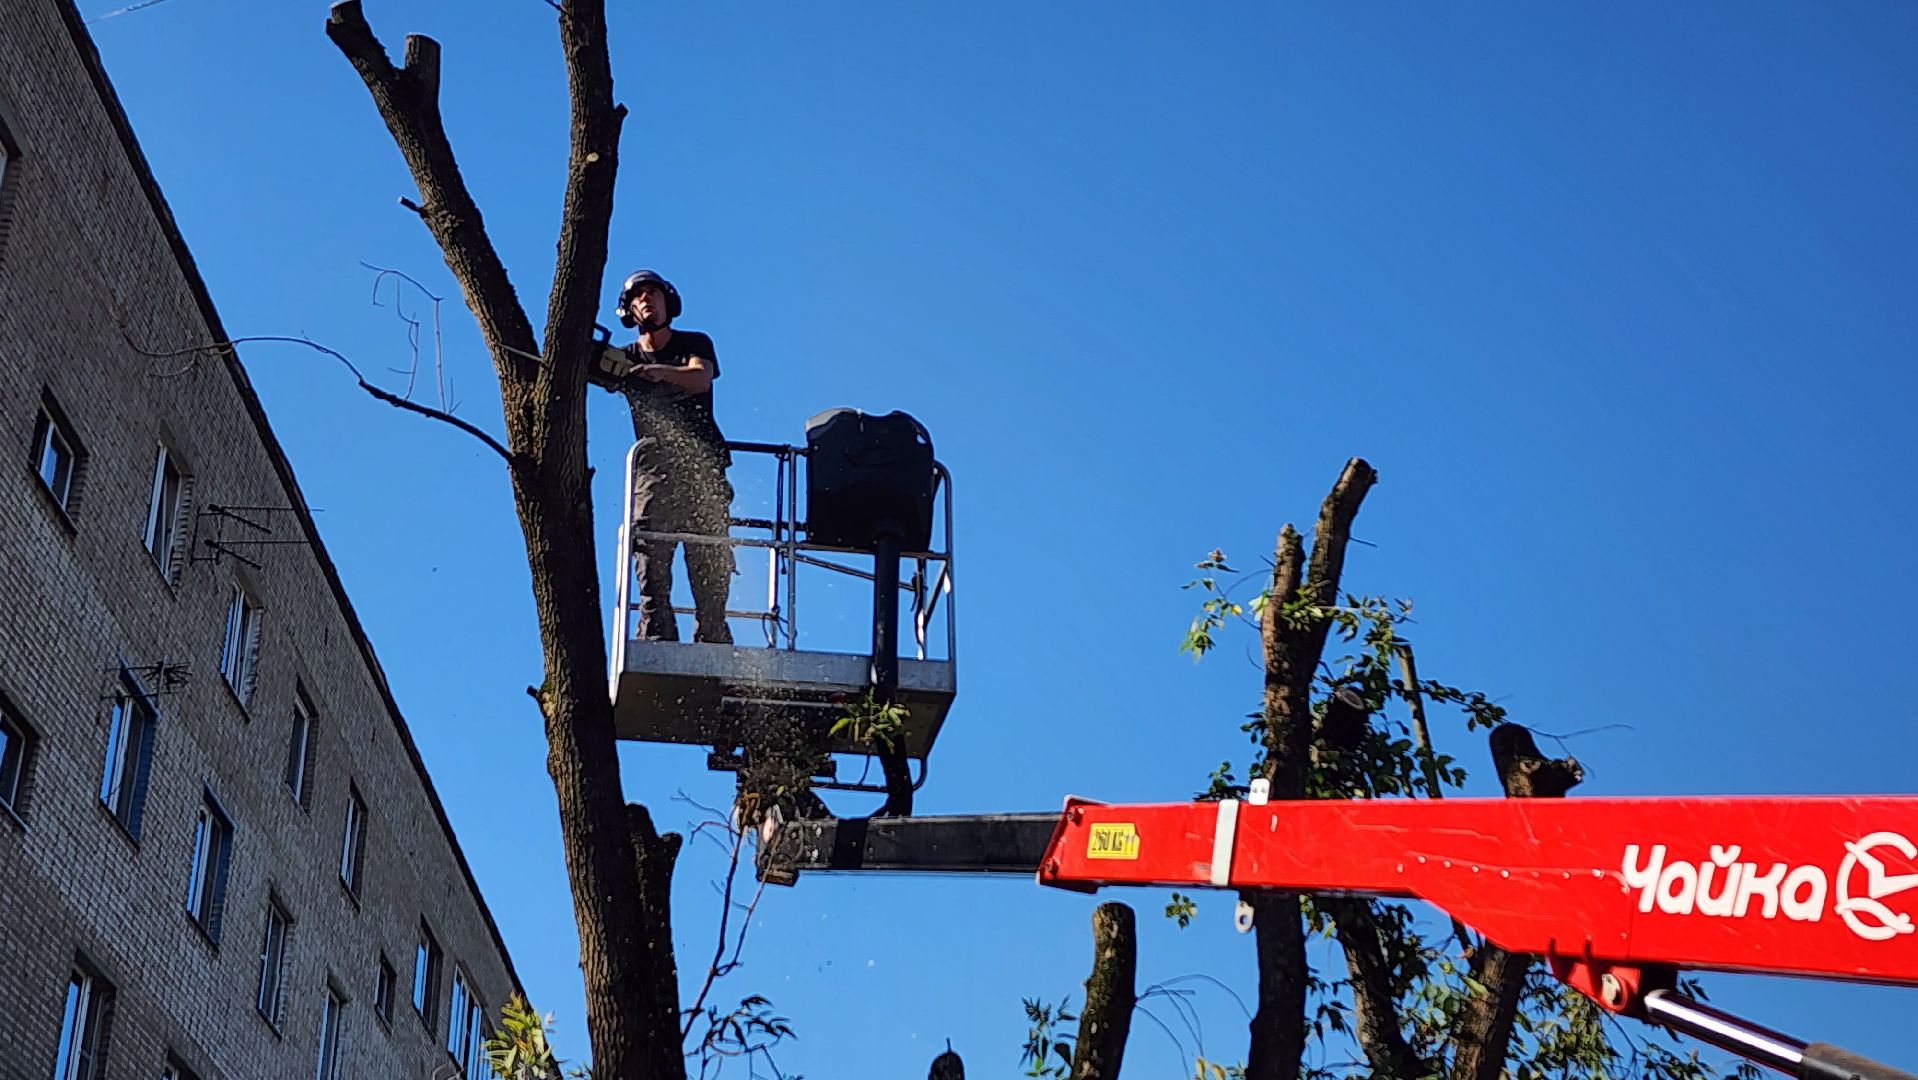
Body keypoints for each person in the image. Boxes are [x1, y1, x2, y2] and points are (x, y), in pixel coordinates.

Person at [592, 269, 734, 644]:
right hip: (653, 468)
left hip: (703, 463)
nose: (646, 300)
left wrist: (658, 372)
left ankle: (713, 631)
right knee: (650, 546)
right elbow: (590, 369)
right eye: (638, 297)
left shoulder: (694, 344)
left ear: (667, 301)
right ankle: (656, 628)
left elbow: (700, 378)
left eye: (652, 293)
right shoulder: (626, 359)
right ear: (629, 311)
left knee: (708, 548)